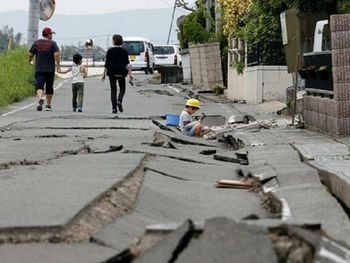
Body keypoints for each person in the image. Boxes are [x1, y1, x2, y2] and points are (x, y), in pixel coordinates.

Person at [29, 27, 61, 111]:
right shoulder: (53, 44)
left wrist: (30, 60)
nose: (52, 36)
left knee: (39, 86)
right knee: (49, 87)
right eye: (51, 34)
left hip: (39, 69)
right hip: (50, 70)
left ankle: (40, 98)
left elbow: (30, 54)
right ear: (49, 35)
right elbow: (57, 54)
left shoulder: (37, 43)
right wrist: (58, 66)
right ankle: (48, 105)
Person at [102, 34, 133, 114]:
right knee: (122, 88)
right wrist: (130, 74)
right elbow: (127, 64)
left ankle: (114, 108)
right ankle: (119, 100)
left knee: (113, 90)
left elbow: (107, 64)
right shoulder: (124, 51)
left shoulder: (110, 51)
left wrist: (104, 74)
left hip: (112, 72)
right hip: (122, 72)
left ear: (114, 41)